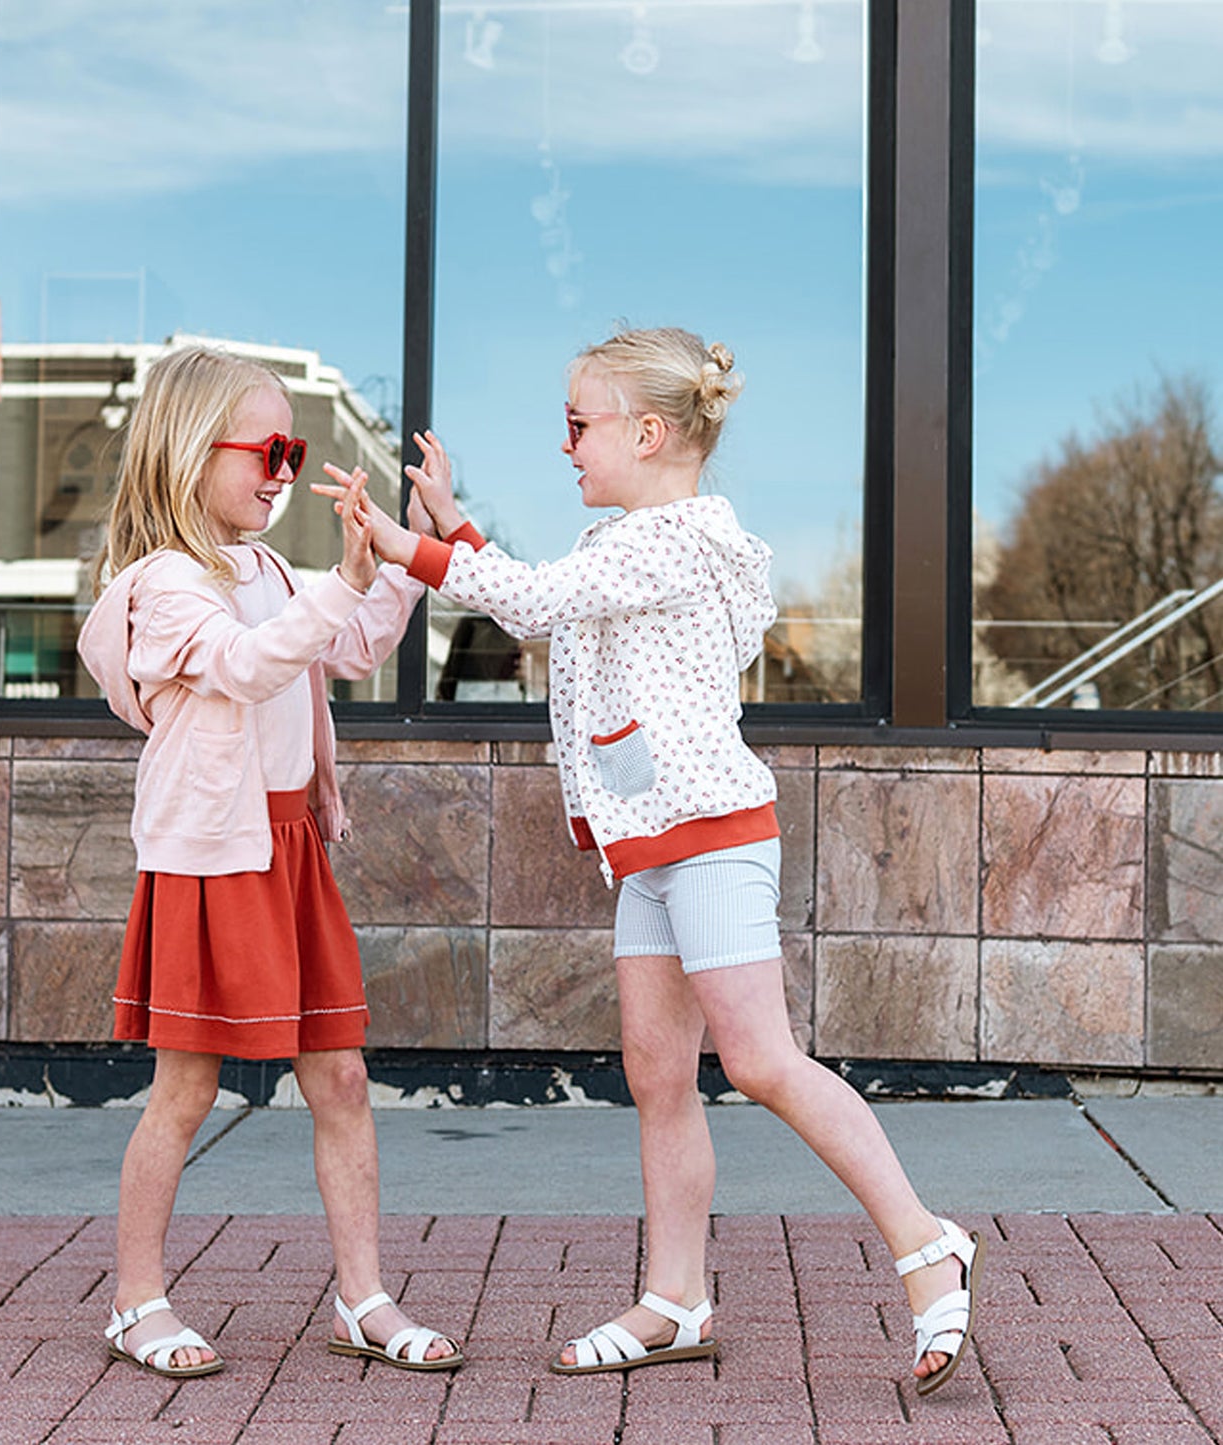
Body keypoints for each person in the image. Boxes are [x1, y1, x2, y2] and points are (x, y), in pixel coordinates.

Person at [318, 326, 983, 1395]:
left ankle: (924, 1243)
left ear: (648, 430)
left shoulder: (675, 539)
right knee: (656, 1071)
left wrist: (410, 550)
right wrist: (457, 526)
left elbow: (528, 601)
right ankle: (674, 1297)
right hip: (650, 851)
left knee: (761, 1060)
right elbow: (549, 606)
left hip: (710, 839)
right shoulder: (629, 544)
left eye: (577, 425)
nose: (567, 446)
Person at [77, 343, 464, 1380]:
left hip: (287, 847)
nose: (286, 469)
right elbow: (249, 665)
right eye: (269, 447)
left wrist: (411, 544)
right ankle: (135, 1298)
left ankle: (362, 1296)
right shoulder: (160, 585)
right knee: (185, 1090)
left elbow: (354, 642)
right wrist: (340, 581)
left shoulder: (276, 571)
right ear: (190, 450)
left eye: (294, 448)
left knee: (339, 1075)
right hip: (212, 858)